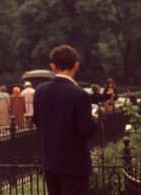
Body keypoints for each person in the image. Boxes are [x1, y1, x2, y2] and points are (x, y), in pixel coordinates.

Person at [33, 44, 99, 195]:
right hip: (74, 165)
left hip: (50, 161)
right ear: (76, 65)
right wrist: (94, 119)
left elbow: (37, 121)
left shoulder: (41, 91)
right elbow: (86, 129)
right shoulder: (79, 94)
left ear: (52, 66)